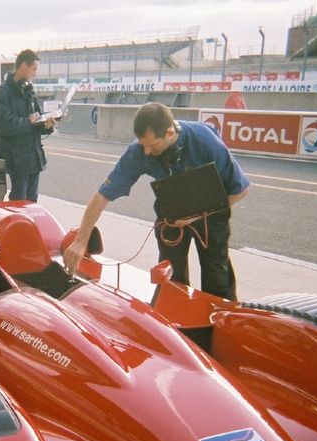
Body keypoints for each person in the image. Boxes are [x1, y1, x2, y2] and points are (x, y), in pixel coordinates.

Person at [63, 102, 250, 300]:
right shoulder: (139, 151)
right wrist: (80, 241)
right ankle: (176, 318)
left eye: (152, 146)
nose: (147, 152)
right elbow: (102, 196)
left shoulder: (205, 141)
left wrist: (196, 217)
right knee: (171, 277)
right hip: (171, 213)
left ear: (170, 133)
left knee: (217, 275)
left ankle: (222, 319)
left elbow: (241, 190)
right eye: (143, 145)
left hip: (211, 213)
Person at [0, 49, 55, 202]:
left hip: (33, 158)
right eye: (34, 69)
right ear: (24, 66)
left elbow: (36, 118)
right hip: (17, 159)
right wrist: (29, 121)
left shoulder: (29, 91)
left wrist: (46, 125)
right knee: (19, 200)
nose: (34, 73)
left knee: (32, 202)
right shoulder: (3, 92)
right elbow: (2, 124)